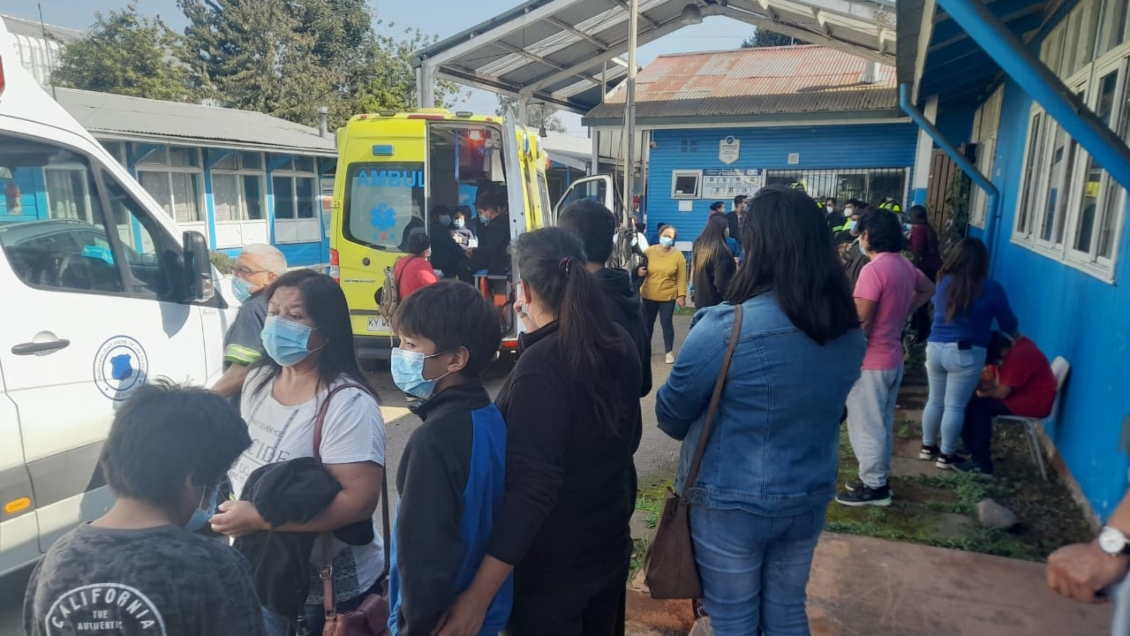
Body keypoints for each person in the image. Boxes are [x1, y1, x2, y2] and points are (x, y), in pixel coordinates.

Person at [656, 185, 865, 636]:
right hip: (808, 494)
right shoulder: (847, 332)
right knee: (787, 611)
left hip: (731, 501)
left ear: (755, 246)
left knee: (732, 618)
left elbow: (669, 416)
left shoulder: (725, 328)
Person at [431, 228, 642, 636]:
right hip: (608, 547)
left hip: (552, 574)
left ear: (522, 289)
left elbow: (531, 491)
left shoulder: (543, 366)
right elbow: (626, 441)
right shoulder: (617, 341)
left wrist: (477, 598)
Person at [213, 269, 387, 635]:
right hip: (265, 571)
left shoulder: (347, 403)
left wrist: (259, 518)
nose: (278, 324)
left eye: (294, 317)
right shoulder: (259, 380)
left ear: (326, 331)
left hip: (328, 593)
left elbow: (358, 501)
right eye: (273, 312)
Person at [23, 382, 267, 636]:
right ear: (193, 481)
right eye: (216, 481)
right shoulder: (213, 566)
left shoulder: (55, 561)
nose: (210, 500)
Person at [386, 281, 511, 636]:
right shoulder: (487, 416)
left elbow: (424, 553)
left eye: (411, 345)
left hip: (441, 622)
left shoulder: (433, 440)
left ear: (455, 359)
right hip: (485, 617)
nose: (400, 353)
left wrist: (415, 626)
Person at [835, 209, 935, 507]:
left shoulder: (873, 270)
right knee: (882, 423)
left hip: (870, 362)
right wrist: (904, 310)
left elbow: (861, 320)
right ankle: (879, 478)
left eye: (861, 232)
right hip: (892, 356)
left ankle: (873, 486)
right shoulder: (903, 265)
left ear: (868, 236)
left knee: (866, 425)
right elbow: (928, 288)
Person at [921, 237, 1019, 469]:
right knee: (955, 406)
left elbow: (934, 307)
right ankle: (947, 454)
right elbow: (1008, 323)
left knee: (935, 400)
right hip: (965, 352)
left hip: (935, 348)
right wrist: (1019, 339)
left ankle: (927, 447)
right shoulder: (991, 288)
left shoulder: (944, 282)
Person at [558, 199, 652, 396]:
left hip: (589, 424)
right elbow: (643, 384)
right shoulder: (629, 295)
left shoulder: (580, 305)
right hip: (627, 423)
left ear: (565, 247)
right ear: (611, 247)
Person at [957, 332, 1056, 475]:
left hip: (1034, 402)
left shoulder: (1017, 356)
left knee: (979, 407)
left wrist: (980, 392)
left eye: (995, 360)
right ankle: (971, 447)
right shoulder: (1017, 346)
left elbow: (1001, 393)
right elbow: (997, 383)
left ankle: (982, 465)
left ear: (1002, 351)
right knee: (971, 401)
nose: (996, 364)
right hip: (1023, 396)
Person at [213, 244, 288, 406]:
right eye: (235, 270)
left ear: (271, 278)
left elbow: (240, 373)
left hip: (250, 407)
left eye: (245, 271)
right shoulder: (289, 304)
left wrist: (203, 399)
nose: (237, 276)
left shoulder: (253, 309)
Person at [641, 225, 687, 364]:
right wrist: (639, 273)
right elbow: (639, 269)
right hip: (649, 294)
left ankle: (669, 352)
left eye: (670, 237)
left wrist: (682, 296)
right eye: (665, 235)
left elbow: (681, 277)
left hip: (668, 295)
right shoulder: (649, 252)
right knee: (647, 324)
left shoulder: (678, 256)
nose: (667, 239)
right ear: (660, 235)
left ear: (673, 240)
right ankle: (645, 351)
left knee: (666, 322)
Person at [907, 205, 943, 341]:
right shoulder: (929, 229)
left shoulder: (919, 231)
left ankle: (921, 335)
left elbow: (917, 252)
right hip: (933, 269)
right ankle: (917, 329)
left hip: (925, 269)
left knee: (920, 304)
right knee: (923, 304)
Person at [690, 215, 737, 309]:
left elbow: (694, 268)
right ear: (721, 229)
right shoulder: (720, 251)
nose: (728, 229)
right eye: (726, 227)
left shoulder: (700, 244)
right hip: (717, 302)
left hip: (701, 298)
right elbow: (721, 281)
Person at [468, 191, 511, 275]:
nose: (480, 216)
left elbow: (490, 249)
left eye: (480, 212)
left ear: (489, 211)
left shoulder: (496, 226)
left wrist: (473, 251)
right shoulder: (501, 222)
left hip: (497, 264)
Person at [396, 231, 439, 299]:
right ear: (426, 251)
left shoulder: (401, 261)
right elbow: (434, 288)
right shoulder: (421, 265)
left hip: (403, 303)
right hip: (415, 305)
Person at [428, 205, 468, 278]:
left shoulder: (433, 229)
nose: (447, 217)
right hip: (445, 269)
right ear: (435, 217)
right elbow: (454, 248)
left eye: (448, 214)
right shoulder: (439, 231)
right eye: (443, 214)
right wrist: (466, 254)